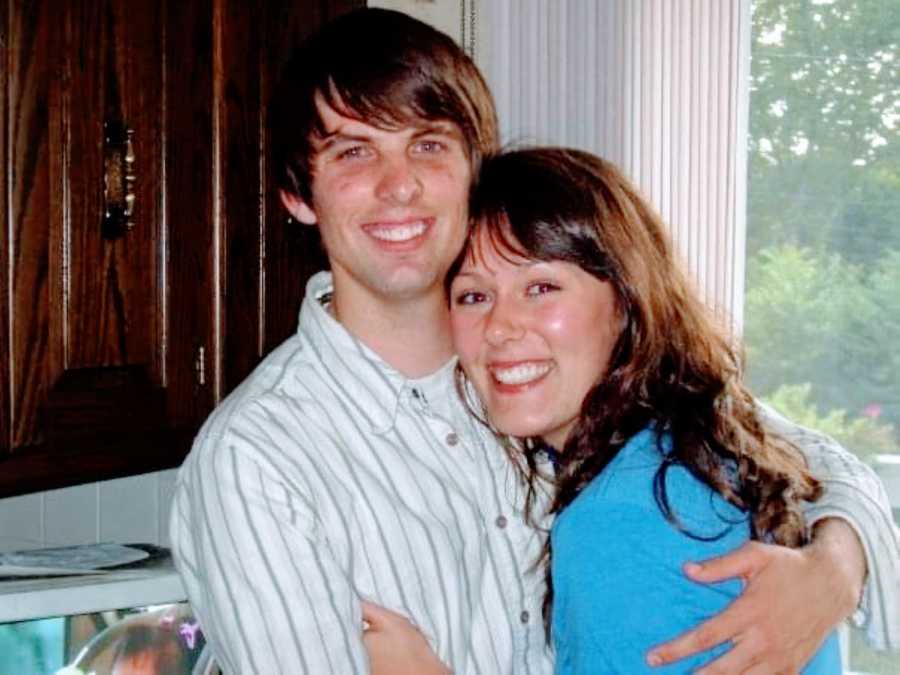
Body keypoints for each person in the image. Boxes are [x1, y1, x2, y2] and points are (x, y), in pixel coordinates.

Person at [169, 8, 900, 675]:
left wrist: (835, 565)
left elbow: (808, 458)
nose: (398, 185)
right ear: (300, 195)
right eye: (354, 153)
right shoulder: (259, 460)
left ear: (470, 175)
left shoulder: (549, 380)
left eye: (428, 144)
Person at [447, 147, 844, 673]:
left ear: (626, 301)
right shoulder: (697, 445)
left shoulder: (622, 517)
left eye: (540, 287)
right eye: (473, 296)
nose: (499, 327)